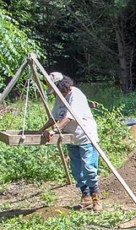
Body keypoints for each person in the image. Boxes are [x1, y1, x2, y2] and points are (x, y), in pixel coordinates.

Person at [38, 72, 103, 212]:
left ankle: (96, 198)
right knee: (77, 170)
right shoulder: (59, 98)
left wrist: (54, 131)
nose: (55, 94)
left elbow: (70, 117)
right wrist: (42, 129)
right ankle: (85, 198)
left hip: (85, 137)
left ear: (62, 85)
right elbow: (54, 117)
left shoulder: (76, 95)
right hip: (70, 137)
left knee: (89, 168)